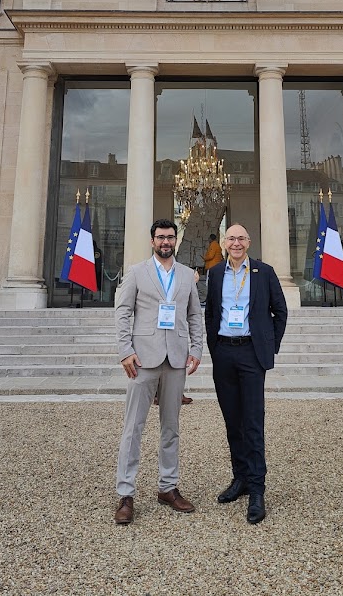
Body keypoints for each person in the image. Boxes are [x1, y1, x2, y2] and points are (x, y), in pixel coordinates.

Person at [114, 219, 203, 525]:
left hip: (176, 360)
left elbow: (194, 314)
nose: (166, 241)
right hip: (143, 360)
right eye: (160, 237)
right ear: (152, 241)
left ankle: (168, 487)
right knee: (133, 428)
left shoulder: (185, 275)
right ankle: (126, 493)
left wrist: (196, 350)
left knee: (171, 428)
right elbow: (123, 311)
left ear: (175, 241)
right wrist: (125, 350)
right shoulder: (137, 272)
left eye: (170, 237)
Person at [204, 223, 288, 524]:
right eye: (231, 238)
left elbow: (281, 310)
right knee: (232, 421)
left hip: (252, 353)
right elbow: (211, 312)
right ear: (225, 243)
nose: (236, 243)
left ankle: (256, 488)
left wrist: (268, 346)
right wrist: (215, 347)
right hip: (224, 352)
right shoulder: (215, 273)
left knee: (253, 421)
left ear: (249, 242)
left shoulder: (263, 272)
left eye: (241, 238)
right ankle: (239, 478)